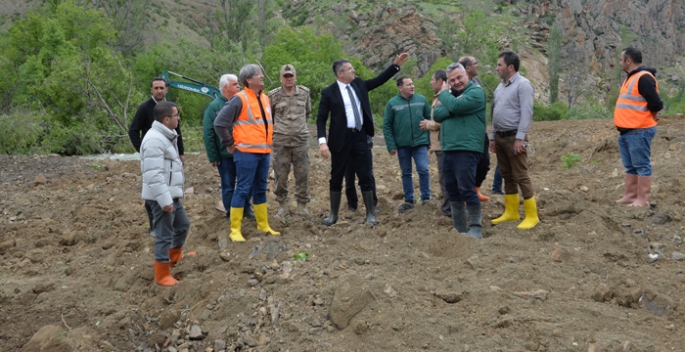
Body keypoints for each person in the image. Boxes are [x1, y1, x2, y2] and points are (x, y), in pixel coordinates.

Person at [317, 53, 409, 226]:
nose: (354, 71)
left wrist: (395, 66)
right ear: (340, 74)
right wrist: (322, 141)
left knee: (365, 175)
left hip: (360, 136)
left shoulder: (358, 84)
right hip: (340, 139)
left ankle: (369, 214)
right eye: (350, 69)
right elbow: (321, 119)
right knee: (336, 177)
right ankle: (333, 215)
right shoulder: (329, 92)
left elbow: (378, 80)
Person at [214, 64, 279, 242]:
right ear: (248, 80)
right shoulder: (239, 99)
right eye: (259, 74)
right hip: (246, 153)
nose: (262, 77)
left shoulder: (265, 98)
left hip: (264, 153)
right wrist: (229, 143)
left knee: (260, 188)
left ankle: (263, 224)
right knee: (242, 189)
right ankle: (235, 229)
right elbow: (219, 123)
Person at [432, 63, 487, 238]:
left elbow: (454, 107)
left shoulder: (476, 93)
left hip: (467, 147)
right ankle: (459, 227)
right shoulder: (452, 98)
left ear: (466, 75)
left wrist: (446, 95)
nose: (456, 82)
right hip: (448, 148)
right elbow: (437, 114)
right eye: (452, 80)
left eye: (459, 78)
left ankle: (476, 227)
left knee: (466, 187)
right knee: (452, 188)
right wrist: (454, 104)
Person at [140, 101, 191, 287]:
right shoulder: (154, 140)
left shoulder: (166, 136)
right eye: (177, 115)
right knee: (164, 234)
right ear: (167, 119)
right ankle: (162, 274)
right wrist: (164, 200)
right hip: (161, 197)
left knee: (183, 225)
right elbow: (153, 174)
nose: (179, 119)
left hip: (171, 194)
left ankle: (174, 257)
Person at [489, 51, 539, 229]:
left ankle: (532, 216)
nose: (497, 68)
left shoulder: (523, 85)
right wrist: (493, 136)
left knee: (521, 175)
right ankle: (511, 212)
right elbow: (496, 114)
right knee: (506, 175)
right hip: (501, 137)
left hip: (514, 138)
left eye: (499, 65)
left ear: (510, 67)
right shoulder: (500, 87)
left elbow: (527, 113)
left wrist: (520, 138)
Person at [129, 78, 185, 237]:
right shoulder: (144, 108)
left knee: (171, 189)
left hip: (170, 154)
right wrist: (142, 150)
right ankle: (155, 226)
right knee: (153, 189)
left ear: (166, 89)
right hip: (153, 153)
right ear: (151, 90)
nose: (159, 90)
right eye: (156, 88)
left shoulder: (171, 108)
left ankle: (169, 225)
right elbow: (133, 131)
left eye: (162, 88)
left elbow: (177, 132)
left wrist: (180, 152)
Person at [614, 47, 663, 207]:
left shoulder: (643, 78)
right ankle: (630, 196)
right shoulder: (631, 78)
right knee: (630, 166)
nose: (620, 63)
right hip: (627, 131)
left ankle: (642, 200)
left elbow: (656, 103)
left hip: (639, 130)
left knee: (641, 165)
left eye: (621, 60)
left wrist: (653, 115)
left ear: (628, 60)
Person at [202, 74, 254, 222]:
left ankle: (246, 209)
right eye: (235, 84)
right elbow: (208, 133)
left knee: (246, 184)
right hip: (225, 155)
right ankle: (231, 212)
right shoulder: (214, 107)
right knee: (228, 185)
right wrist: (213, 156)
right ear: (225, 88)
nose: (239, 86)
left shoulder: (242, 104)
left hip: (244, 153)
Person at [268, 64, 312, 217]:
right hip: (281, 142)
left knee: (303, 175)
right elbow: (270, 118)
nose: (289, 79)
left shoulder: (304, 93)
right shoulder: (273, 96)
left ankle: (302, 206)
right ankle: (283, 206)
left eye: (291, 76)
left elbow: (307, 113)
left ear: (295, 77)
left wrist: (298, 129)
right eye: (285, 76)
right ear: (281, 78)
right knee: (281, 175)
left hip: (301, 141)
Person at [383, 76, 432, 212]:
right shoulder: (392, 103)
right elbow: (387, 125)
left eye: (413, 83)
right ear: (400, 88)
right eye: (409, 84)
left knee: (423, 169)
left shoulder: (421, 100)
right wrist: (391, 145)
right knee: (406, 173)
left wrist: (429, 140)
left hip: (420, 142)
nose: (412, 86)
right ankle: (409, 200)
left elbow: (430, 120)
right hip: (402, 145)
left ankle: (426, 198)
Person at [419, 69, 451, 218]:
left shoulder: (445, 98)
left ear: (440, 81)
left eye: (432, 79)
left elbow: (442, 121)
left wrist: (428, 124)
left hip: (445, 145)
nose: (430, 82)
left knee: (445, 179)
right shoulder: (439, 97)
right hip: (439, 145)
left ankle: (448, 211)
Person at [459, 56, 491, 202]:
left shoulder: (476, 82)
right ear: (467, 68)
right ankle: (466, 195)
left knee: (484, 163)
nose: (478, 65)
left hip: (481, 131)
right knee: (468, 165)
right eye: (475, 63)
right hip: (468, 133)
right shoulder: (460, 86)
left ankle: (475, 189)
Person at [344, 135, 379, 213]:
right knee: (349, 177)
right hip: (347, 147)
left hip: (365, 145)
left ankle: (372, 205)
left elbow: (370, 126)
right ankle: (352, 205)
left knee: (367, 176)